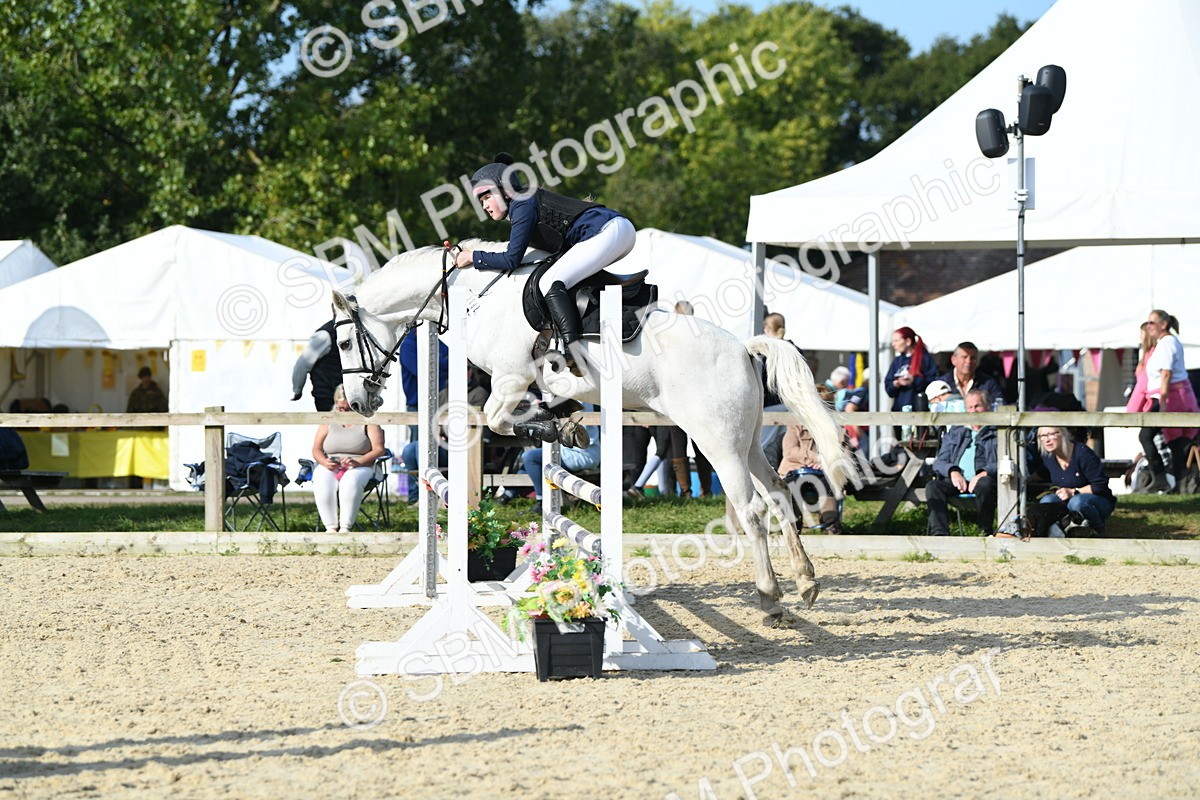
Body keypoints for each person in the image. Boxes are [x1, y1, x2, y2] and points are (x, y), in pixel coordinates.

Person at [453, 153, 636, 372]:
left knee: (550, 281)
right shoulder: (522, 204)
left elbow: (511, 259)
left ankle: (574, 352)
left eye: (486, 197)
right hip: (614, 231)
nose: (484, 206)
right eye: (481, 201)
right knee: (559, 276)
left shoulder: (522, 204)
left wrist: (472, 257)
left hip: (608, 230)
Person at [311, 385, 386, 533]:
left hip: (362, 464)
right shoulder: (328, 419)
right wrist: (324, 462)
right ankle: (330, 528)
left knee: (350, 480)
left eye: (349, 409)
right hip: (332, 463)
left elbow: (379, 449)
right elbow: (316, 448)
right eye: (340, 408)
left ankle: (345, 528)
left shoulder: (369, 420)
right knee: (321, 477)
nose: (344, 412)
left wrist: (358, 462)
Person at [923, 389, 997, 536]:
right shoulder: (956, 431)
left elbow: (1006, 462)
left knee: (985, 484)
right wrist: (952, 471)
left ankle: (985, 532)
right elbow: (940, 462)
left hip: (985, 481)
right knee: (933, 486)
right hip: (957, 482)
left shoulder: (997, 431)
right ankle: (940, 535)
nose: (973, 411)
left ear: (988, 407)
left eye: (977, 406)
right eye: (969, 407)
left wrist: (983, 473)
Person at [1140, 309, 1199, 492]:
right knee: (1175, 443)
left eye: (1152, 322)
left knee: (1146, 436)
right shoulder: (1165, 343)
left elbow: (1166, 374)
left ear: (1163, 324)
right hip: (1170, 396)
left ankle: (1160, 477)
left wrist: (1163, 402)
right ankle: (1180, 485)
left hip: (1167, 397)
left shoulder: (1167, 343)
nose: (1148, 326)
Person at [779, 386, 845, 534]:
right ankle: (792, 529)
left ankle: (831, 527)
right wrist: (817, 458)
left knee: (829, 483)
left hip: (824, 472)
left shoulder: (836, 428)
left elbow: (844, 453)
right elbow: (790, 451)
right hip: (794, 470)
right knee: (791, 486)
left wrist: (826, 463)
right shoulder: (795, 425)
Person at [1031, 426, 1117, 535]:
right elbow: (1042, 473)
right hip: (1067, 501)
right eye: (1042, 436)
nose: (1047, 440)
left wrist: (1073, 492)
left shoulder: (1082, 453)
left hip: (1098, 501)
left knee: (1076, 502)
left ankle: (1097, 531)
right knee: (1046, 501)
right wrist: (1025, 480)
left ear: (1063, 434)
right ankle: (1057, 535)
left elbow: (1100, 485)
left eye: (1051, 434)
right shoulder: (1048, 457)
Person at [521, 404, 601, 514]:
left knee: (530, 457)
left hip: (580, 454)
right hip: (580, 452)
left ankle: (541, 501)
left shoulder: (576, 401)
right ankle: (506, 495)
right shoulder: (579, 400)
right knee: (529, 460)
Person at [291, 315, 342, 412]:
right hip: (328, 397)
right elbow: (302, 364)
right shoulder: (325, 335)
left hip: (349, 398)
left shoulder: (355, 332)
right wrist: (297, 390)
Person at [884, 326, 937, 416]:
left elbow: (933, 382)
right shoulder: (897, 361)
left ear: (908, 341)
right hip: (899, 412)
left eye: (896, 341)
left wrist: (914, 380)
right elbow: (888, 387)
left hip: (919, 412)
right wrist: (896, 383)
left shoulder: (924, 358)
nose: (893, 344)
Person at [936, 342, 1003, 406]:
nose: (968, 361)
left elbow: (1000, 407)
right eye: (964, 357)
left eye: (972, 358)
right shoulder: (941, 384)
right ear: (953, 360)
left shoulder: (988, 383)